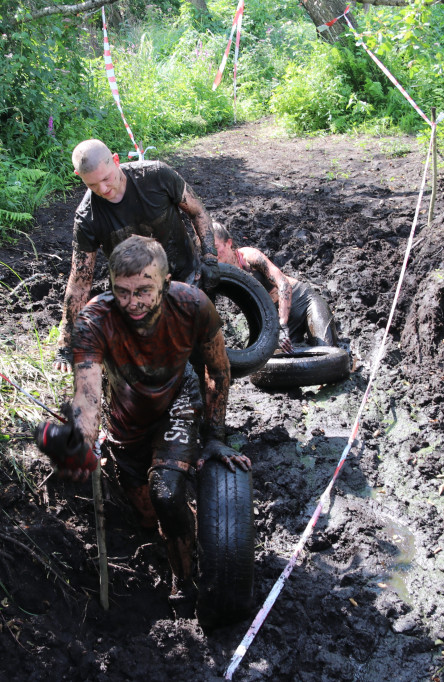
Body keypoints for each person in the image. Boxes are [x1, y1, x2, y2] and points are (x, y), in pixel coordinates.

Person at [34, 235, 250, 615]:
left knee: (165, 493)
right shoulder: (94, 321)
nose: (132, 302)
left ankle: (184, 581)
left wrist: (216, 436)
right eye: (122, 291)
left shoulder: (193, 305)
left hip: (177, 401)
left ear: (165, 284)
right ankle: (188, 522)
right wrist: (80, 438)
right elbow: (87, 394)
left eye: (143, 291)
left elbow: (218, 368)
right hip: (126, 419)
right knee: (148, 514)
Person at [53, 139, 221, 371]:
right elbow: (80, 282)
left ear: (116, 160)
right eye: (92, 185)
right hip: (139, 297)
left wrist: (210, 257)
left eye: (106, 178)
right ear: (78, 176)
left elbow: (198, 211)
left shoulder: (156, 175)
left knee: (204, 355)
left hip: (186, 276)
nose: (103, 189)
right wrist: (66, 340)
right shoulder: (87, 218)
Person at [213, 222, 338, 352]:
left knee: (327, 351)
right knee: (279, 360)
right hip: (274, 315)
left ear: (229, 243)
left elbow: (283, 284)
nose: (213, 255)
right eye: (208, 250)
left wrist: (282, 325)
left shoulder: (248, 257)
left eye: (215, 248)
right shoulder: (216, 273)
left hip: (302, 301)